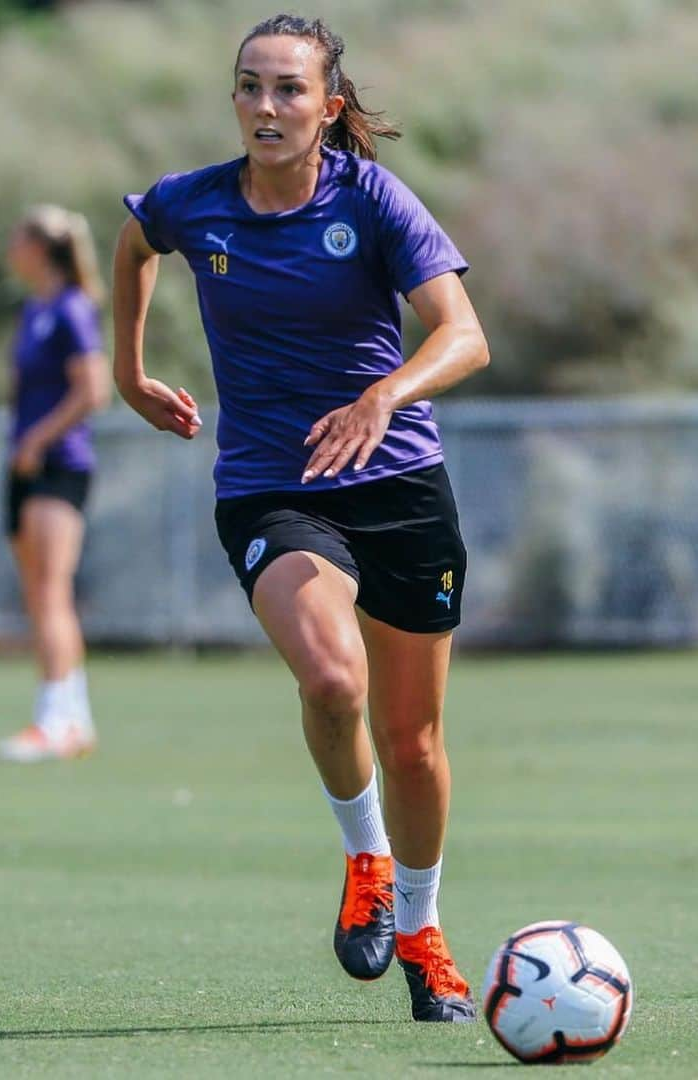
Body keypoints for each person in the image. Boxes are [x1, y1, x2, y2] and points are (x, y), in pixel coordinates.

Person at [113, 15, 489, 1022]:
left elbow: (464, 337)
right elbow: (136, 238)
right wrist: (128, 371)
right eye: (249, 87)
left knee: (411, 741)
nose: (266, 107)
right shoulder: (195, 203)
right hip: (272, 485)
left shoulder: (370, 199)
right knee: (331, 678)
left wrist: (385, 397)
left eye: (288, 90)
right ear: (233, 98)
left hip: (398, 482)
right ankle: (364, 856)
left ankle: (422, 929)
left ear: (328, 107)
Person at [0, 205, 110, 762]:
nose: (11, 246)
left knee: (51, 591)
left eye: (19, 237)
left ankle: (55, 720)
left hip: (58, 464)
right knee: (38, 595)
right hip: (25, 464)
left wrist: (39, 440)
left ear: (41, 247)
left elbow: (94, 390)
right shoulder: (34, 309)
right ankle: (73, 719)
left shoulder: (72, 310)